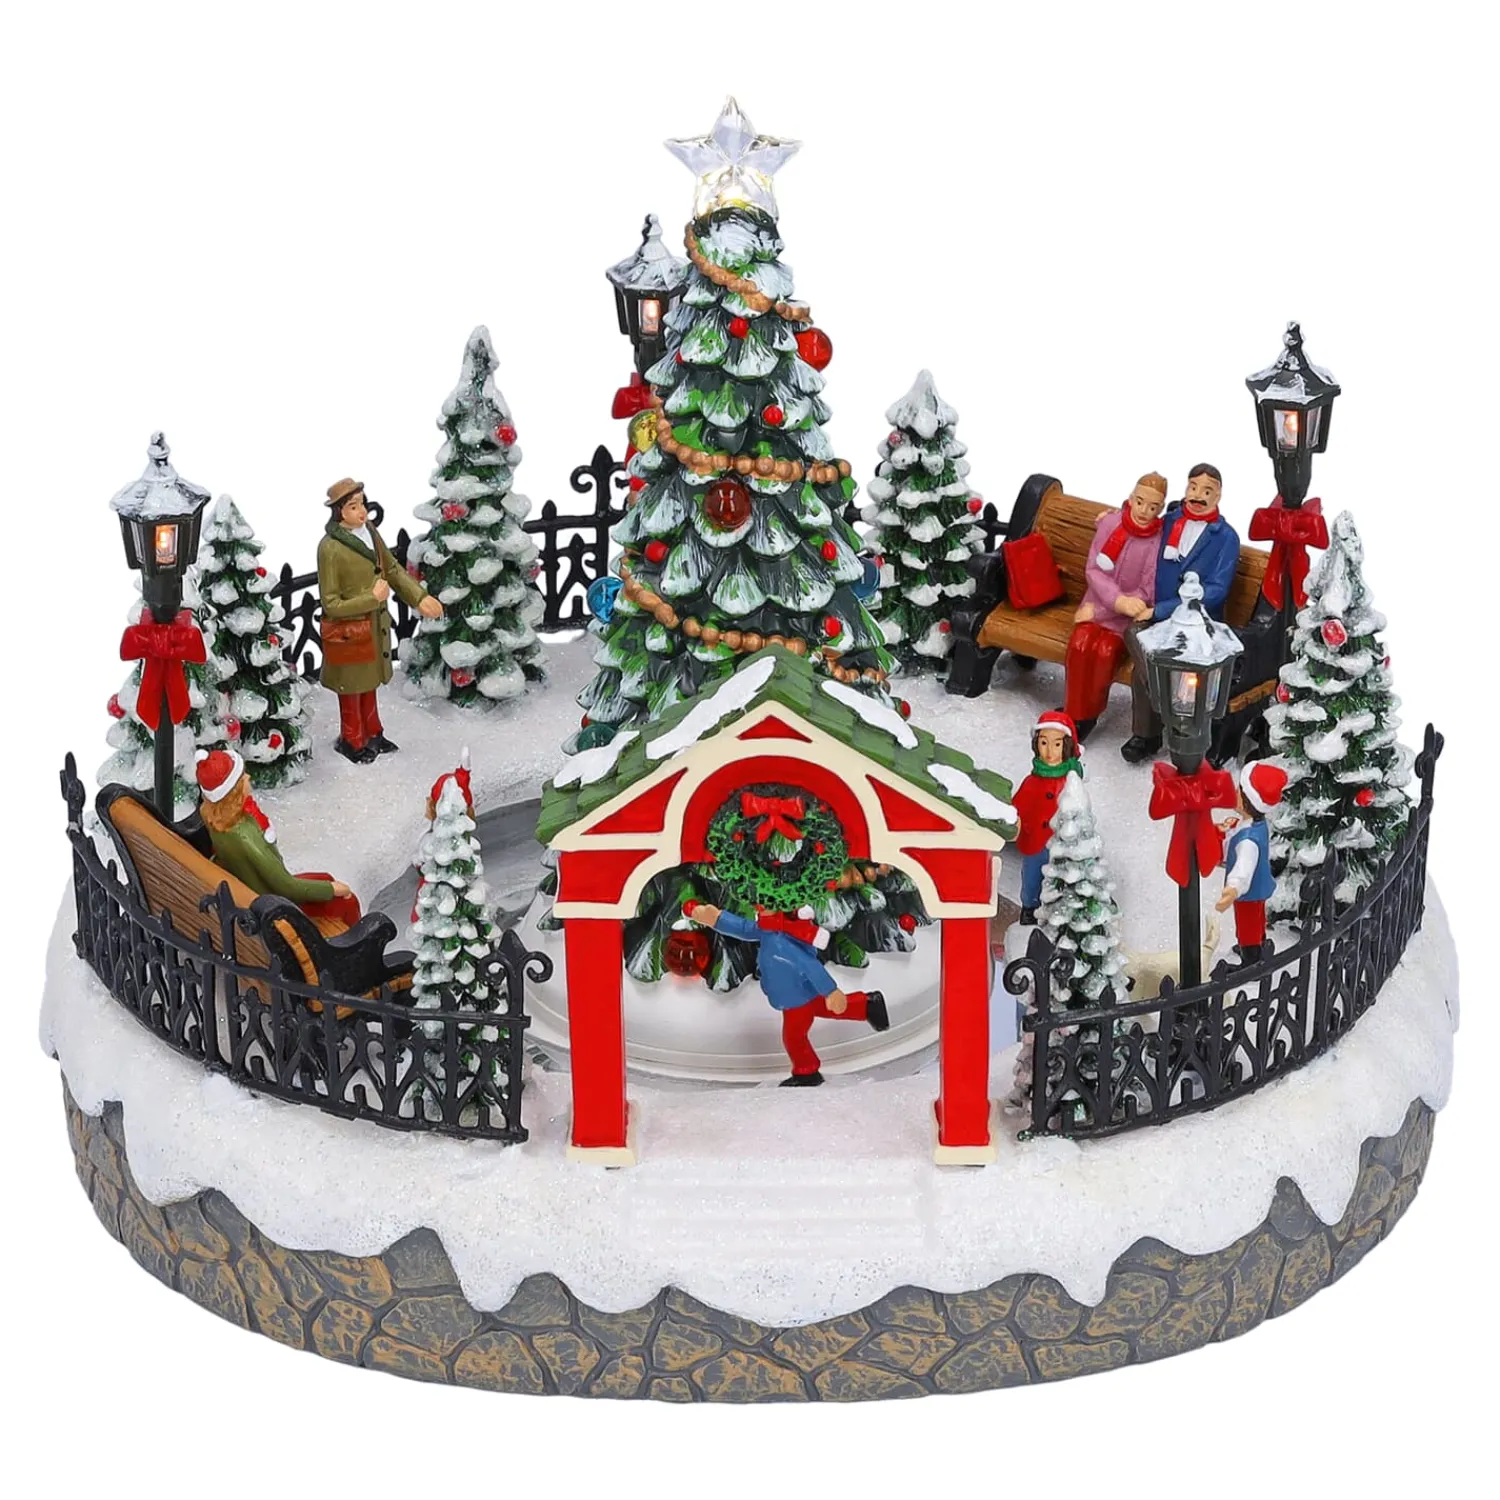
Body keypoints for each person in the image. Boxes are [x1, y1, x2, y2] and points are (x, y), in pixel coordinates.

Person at [682, 900, 889, 1087]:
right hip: (797, 993)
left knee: (794, 1036)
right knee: (822, 1008)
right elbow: (744, 928)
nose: (758, 908)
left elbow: (810, 966)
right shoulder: (769, 930)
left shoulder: (783, 942)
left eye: (764, 905)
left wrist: (830, 990)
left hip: (796, 996)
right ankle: (867, 1005)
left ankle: (807, 1072)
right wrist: (716, 919)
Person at [317, 478, 444, 764]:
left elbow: (392, 569)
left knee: (369, 684)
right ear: (339, 511)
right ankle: (353, 740)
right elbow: (331, 603)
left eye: (362, 503)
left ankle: (373, 733)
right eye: (353, 506)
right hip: (349, 632)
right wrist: (371, 598)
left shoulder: (370, 532)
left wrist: (419, 597)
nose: (361, 511)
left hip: (373, 629)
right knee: (352, 690)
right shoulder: (330, 548)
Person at [1121, 463, 1241, 763]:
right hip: (1160, 617)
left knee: (1145, 665)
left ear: (1218, 496)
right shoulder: (1170, 521)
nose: (1198, 496)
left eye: (1207, 491)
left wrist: (1162, 609)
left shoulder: (1225, 537)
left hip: (1197, 625)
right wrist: (1112, 519)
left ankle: (1160, 724)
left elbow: (1216, 590)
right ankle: (1159, 721)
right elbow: (1137, 526)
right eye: (1193, 487)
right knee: (1137, 639)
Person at [195, 747, 361, 927]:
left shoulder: (214, 818)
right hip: (272, 907)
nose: (248, 778)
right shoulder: (245, 837)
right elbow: (286, 887)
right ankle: (356, 940)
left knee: (326, 877)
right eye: (242, 778)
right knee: (346, 899)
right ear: (233, 791)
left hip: (252, 892)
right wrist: (331, 890)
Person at [1064, 472, 1167, 741]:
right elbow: (1094, 571)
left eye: (1152, 507)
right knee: (1079, 644)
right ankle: (1073, 710)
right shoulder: (1110, 524)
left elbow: (1147, 588)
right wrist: (1114, 602)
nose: (1144, 511)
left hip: (1122, 620)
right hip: (1095, 605)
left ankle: (1089, 715)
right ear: (1131, 498)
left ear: (1160, 509)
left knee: (1105, 651)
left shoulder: (1157, 541)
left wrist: (1122, 606)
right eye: (1140, 502)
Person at [1010, 710, 1084, 924]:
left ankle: (1059, 911)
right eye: (1044, 743)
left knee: (1060, 879)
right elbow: (1017, 807)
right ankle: (1029, 907)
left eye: (1057, 744)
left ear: (1066, 746)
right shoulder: (1032, 782)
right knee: (1032, 877)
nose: (1050, 751)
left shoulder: (1072, 781)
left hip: (1062, 845)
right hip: (1036, 843)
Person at [1214, 759, 1288, 965]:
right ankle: (1259, 944)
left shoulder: (1248, 841)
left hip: (1249, 891)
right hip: (1258, 887)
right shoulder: (1255, 824)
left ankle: (1251, 959)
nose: (1234, 793)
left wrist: (1233, 888)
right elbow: (1238, 832)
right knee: (1257, 921)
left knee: (1247, 927)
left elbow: (1244, 867)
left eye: (1239, 791)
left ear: (1249, 802)